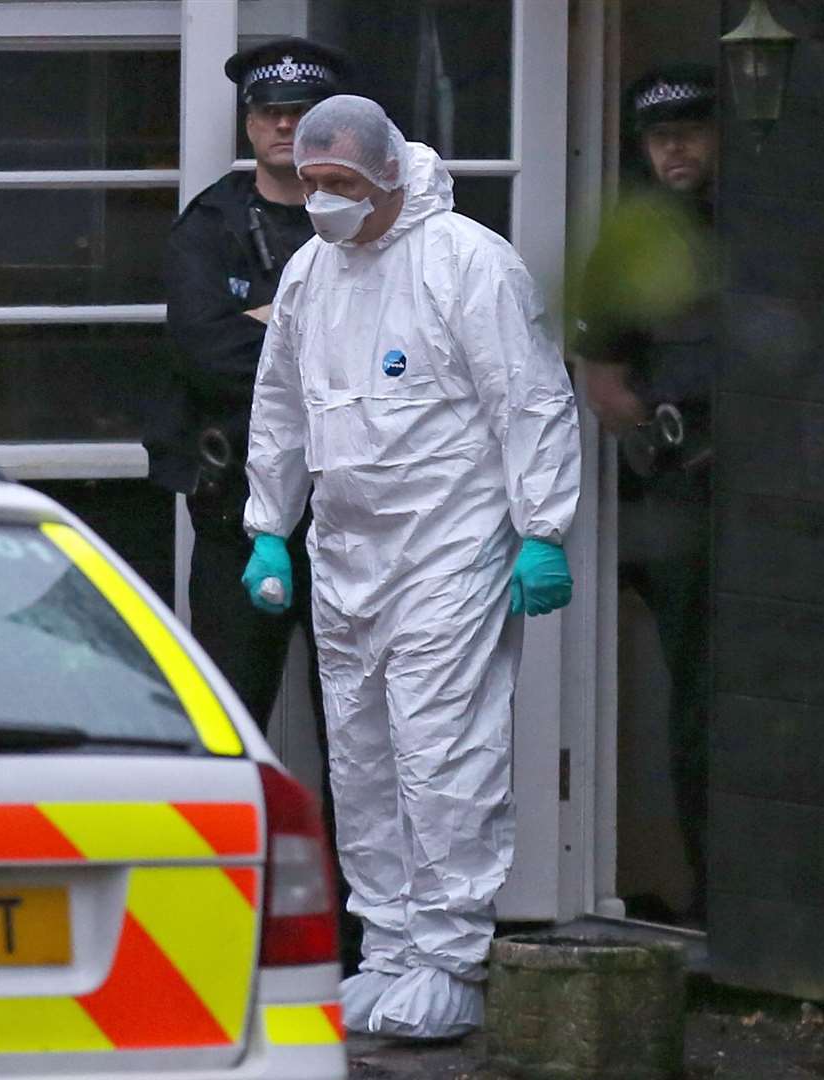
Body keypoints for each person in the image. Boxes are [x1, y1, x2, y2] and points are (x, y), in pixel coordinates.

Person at [240, 95, 581, 1040]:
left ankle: (449, 958)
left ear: (387, 173)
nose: (320, 201)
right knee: (359, 757)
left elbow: (529, 397)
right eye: (309, 185)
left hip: (448, 547)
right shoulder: (311, 271)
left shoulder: (466, 261)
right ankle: (387, 947)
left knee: (441, 750)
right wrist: (270, 523)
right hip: (347, 551)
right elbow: (280, 405)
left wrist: (541, 526)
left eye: (337, 183)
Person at [147, 37, 353, 731]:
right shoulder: (209, 227)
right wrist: (319, 334)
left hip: (351, 510)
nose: (284, 125)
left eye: (300, 111)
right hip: (235, 512)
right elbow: (207, 353)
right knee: (230, 723)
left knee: (358, 737)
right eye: (268, 111)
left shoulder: (363, 220)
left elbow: (390, 349)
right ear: (248, 121)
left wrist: (266, 321)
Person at [575, 64, 718, 924]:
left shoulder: (773, 225)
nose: (672, 147)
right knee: (700, 696)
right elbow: (603, 383)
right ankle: (712, 897)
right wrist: (671, 447)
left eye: (691, 129)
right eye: (657, 134)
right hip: (687, 495)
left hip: (788, 504)